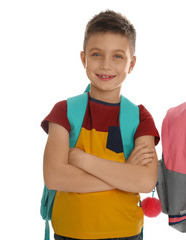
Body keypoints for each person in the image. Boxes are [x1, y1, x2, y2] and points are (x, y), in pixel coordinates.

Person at [41, 10, 159, 240]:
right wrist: (124, 175)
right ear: (84, 58)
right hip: (70, 232)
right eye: (97, 54)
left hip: (126, 233)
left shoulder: (140, 116)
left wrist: (81, 160)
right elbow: (54, 177)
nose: (106, 65)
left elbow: (145, 181)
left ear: (131, 64)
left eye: (118, 56)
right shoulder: (63, 111)